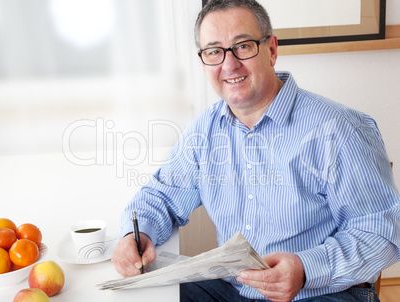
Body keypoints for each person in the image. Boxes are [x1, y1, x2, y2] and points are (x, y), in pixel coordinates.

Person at [111, 0, 400, 301]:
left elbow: (382, 232)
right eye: (214, 52)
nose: (229, 64)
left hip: (319, 291)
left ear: (272, 49)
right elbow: (161, 195)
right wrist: (138, 234)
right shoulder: (204, 132)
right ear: (204, 61)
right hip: (233, 288)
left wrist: (305, 269)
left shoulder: (340, 130)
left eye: (243, 46)